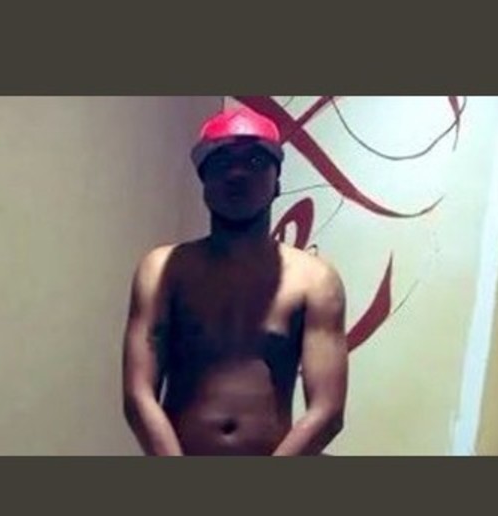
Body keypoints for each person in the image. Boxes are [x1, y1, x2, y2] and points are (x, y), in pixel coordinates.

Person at [123, 108, 349, 456]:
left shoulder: (314, 279)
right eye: (221, 161)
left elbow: (327, 411)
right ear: (204, 181)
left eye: (255, 161)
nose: (237, 173)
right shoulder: (163, 269)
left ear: (277, 182)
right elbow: (138, 394)